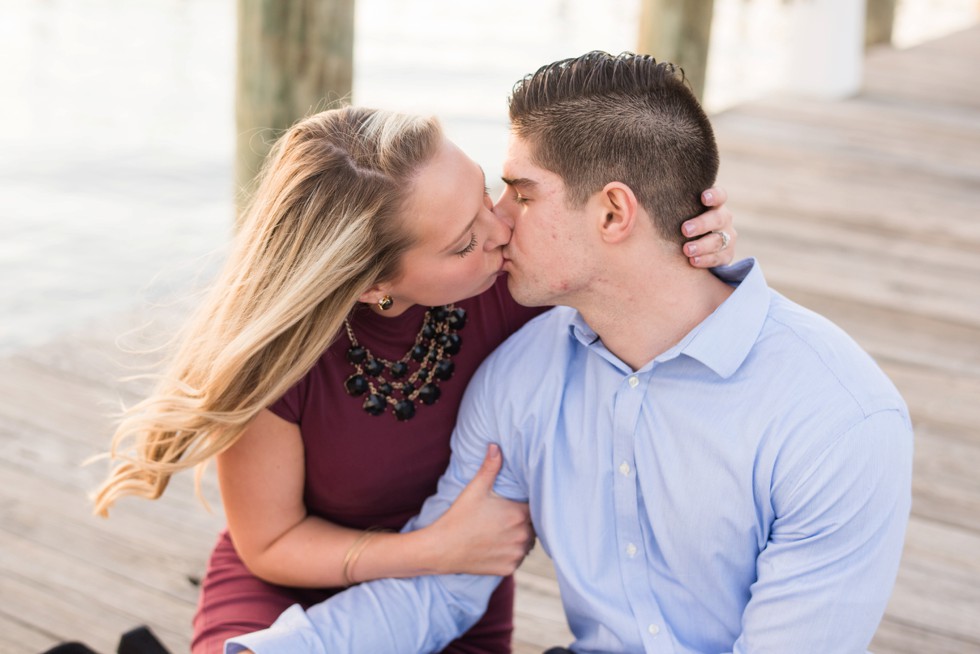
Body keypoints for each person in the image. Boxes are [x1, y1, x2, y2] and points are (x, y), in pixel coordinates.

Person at [226, 52, 914, 654]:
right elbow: (438, 596)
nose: (499, 220)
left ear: (614, 214)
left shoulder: (838, 421)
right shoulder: (520, 372)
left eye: (521, 193)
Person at [91, 103, 738, 653]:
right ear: (372, 284)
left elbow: (637, 281)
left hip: (456, 589)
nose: (501, 231)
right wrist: (431, 549)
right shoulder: (274, 359)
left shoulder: (513, 278)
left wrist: (691, 244)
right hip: (296, 584)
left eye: (487, 192)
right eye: (462, 243)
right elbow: (271, 543)